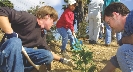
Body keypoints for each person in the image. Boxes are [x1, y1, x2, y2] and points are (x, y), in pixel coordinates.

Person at [0, 6, 73, 72]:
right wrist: (10, 33)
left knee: (48, 55)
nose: (53, 24)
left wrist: (62, 60)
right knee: (16, 42)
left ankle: (20, 69)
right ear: (47, 16)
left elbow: (49, 53)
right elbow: (2, 11)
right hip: (7, 51)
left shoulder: (42, 35)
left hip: (21, 55)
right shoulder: (28, 18)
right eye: (52, 21)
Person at [101, 2, 133, 72]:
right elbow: (118, 59)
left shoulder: (132, 17)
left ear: (115, 15)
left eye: (109, 22)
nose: (110, 26)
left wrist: (123, 40)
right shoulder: (127, 32)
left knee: (124, 50)